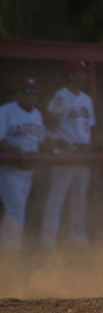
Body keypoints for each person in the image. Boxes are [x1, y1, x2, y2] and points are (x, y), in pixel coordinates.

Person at [40, 61, 97, 249]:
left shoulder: (87, 99)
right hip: (65, 154)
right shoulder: (61, 96)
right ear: (71, 75)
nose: (85, 76)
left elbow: (91, 128)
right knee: (57, 198)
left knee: (80, 200)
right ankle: (48, 240)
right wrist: (58, 142)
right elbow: (48, 126)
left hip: (83, 154)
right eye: (81, 73)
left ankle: (78, 239)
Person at [0, 78, 47, 250]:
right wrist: (11, 147)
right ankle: (13, 252)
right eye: (26, 91)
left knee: (14, 211)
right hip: (9, 170)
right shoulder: (6, 111)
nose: (31, 96)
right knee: (16, 211)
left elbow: (40, 142)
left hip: (28, 172)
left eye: (34, 92)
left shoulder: (37, 114)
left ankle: (5, 250)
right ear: (18, 93)